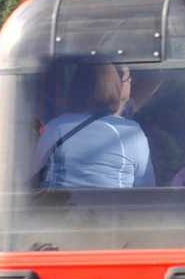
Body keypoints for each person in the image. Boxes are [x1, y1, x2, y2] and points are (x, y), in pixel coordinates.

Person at [38, 58, 152, 189]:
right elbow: (147, 189)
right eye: (130, 80)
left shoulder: (53, 127)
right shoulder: (130, 132)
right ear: (115, 86)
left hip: (58, 208)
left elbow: (35, 177)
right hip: (114, 209)